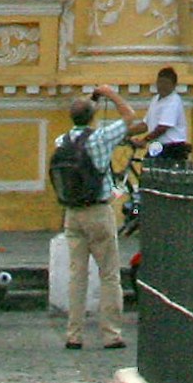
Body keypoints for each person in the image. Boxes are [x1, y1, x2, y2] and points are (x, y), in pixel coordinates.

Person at [50, 88, 135, 351]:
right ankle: (111, 333)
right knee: (109, 273)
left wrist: (90, 105)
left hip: (72, 213)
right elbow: (130, 117)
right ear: (92, 116)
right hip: (98, 211)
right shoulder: (99, 138)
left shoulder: (60, 141)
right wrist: (109, 94)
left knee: (77, 275)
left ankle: (73, 334)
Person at [142, 66, 192, 171]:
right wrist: (126, 133)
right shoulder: (155, 100)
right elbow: (145, 124)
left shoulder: (173, 101)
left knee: (156, 175)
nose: (162, 86)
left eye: (166, 83)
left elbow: (163, 127)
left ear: (174, 86)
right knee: (147, 168)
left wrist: (144, 140)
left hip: (172, 147)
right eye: (160, 82)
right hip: (158, 146)